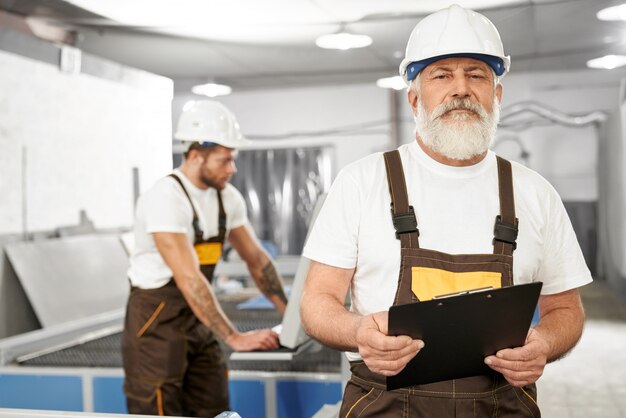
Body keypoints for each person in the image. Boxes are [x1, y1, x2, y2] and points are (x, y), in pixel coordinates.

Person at [300, 4, 591, 417]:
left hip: (501, 404)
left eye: (476, 75)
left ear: (497, 94)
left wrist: (544, 342)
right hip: (384, 403)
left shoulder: (535, 193)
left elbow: (567, 310)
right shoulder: (361, 182)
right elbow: (317, 301)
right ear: (415, 98)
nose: (461, 90)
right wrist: (358, 332)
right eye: (442, 75)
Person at [122, 100, 288, 417]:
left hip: (199, 316)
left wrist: (292, 317)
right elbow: (187, 277)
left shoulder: (227, 198)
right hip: (157, 318)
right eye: (225, 160)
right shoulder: (166, 197)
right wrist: (234, 337)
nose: (232, 169)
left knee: (212, 405)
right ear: (196, 156)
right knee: (159, 407)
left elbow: (258, 260)